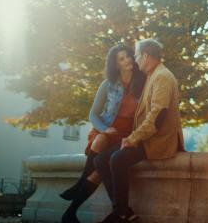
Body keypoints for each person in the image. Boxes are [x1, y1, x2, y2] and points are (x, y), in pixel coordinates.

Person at [94, 38, 184, 223]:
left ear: (145, 55)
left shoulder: (162, 77)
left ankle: (120, 214)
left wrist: (133, 139)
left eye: (136, 55)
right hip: (148, 138)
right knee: (100, 159)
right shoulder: (153, 74)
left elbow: (157, 117)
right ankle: (124, 211)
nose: (134, 60)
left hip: (158, 141)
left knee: (117, 159)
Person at [60, 44, 146, 223]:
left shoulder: (142, 82)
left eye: (128, 56)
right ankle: (120, 210)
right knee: (100, 139)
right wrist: (105, 128)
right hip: (105, 129)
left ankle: (71, 210)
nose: (127, 60)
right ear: (116, 65)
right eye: (121, 59)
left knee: (97, 173)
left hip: (125, 134)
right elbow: (93, 114)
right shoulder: (108, 84)